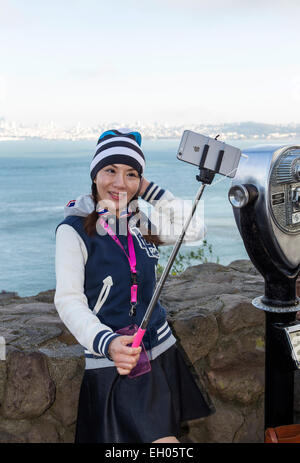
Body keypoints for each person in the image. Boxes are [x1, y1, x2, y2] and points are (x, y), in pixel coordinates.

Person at [54, 128, 213, 443]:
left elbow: (194, 229)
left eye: (131, 174)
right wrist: (108, 343)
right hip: (118, 360)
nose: (119, 182)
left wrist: (150, 191)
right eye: (110, 170)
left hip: (160, 351)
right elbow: (68, 301)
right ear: (95, 173)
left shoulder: (138, 223)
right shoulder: (73, 230)